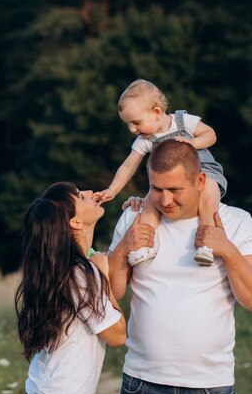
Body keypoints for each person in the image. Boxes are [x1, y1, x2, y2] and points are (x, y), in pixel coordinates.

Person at [107, 140, 252, 394]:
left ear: (199, 180)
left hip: (210, 388)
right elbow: (112, 293)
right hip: (142, 384)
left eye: (175, 189)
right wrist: (122, 250)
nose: (165, 200)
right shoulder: (133, 220)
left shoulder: (236, 221)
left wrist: (228, 250)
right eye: (156, 189)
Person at [15, 182, 127, 394]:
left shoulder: (60, 265)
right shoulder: (82, 274)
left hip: (42, 390)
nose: (89, 192)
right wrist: (102, 279)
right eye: (80, 196)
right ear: (75, 222)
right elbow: (118, 337)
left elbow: (85, 246)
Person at [94, 79, 227, 267]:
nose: (132, 129)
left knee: (208, 199)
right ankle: (145, 246)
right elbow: (128, 166)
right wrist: (113, 189)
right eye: (128, 125)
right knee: (149, 202)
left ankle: (206, 245)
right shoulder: (146, 139)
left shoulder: (183, 121)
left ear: (156, 112)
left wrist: (193, 144)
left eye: (136, 122)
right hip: (166, 184)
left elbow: (210, 134)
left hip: (204, 171)